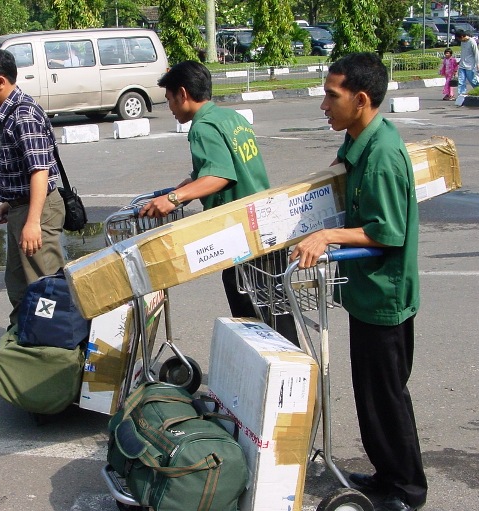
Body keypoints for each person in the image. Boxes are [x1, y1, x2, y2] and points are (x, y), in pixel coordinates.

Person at [289, 52, 427, 511]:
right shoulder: (360, 138)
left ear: (361, 99)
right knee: (371, 397)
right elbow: (339, 171)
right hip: (365, 294)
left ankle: (407, 491)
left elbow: (387, 231)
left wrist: (326, 235)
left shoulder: (384, 154)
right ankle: (388, 475)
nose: (324, 105)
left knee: (386, 399)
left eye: (332, 96)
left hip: (384, 296)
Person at [139, 60, 298, 344]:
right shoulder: (231, 118)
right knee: (275, 309)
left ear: (183, 94)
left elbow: (220, 175)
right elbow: (225, 166)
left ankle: (281, 378)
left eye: (170, 100)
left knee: (254, 314)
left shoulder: (202, 127)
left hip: (244, 232)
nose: (171, 108)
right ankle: (294, 374)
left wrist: (175, 198)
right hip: (265, 222)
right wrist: (190, 183)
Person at [0, 48, 66, 359]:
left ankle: (53, 348)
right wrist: (11, 204)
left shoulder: (22, 114)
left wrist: (33, 221)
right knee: (19, 281)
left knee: (44, 283)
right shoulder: (10, 111)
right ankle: (25, 336)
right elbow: (25, 167)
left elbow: (40, 171)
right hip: (23, 207)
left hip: (38, 211)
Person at [455, 29, 479, 97]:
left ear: (462, 36)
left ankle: (477, 90)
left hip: (470, 66)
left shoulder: (472, 42)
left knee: (473, 81)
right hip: (462, 65)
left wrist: (478, 64)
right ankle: (461, 95)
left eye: (459, 38)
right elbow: (464, 53)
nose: (459, 40)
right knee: (461, 81)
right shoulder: (462, 42)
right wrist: (460, 61)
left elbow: (476, 53)